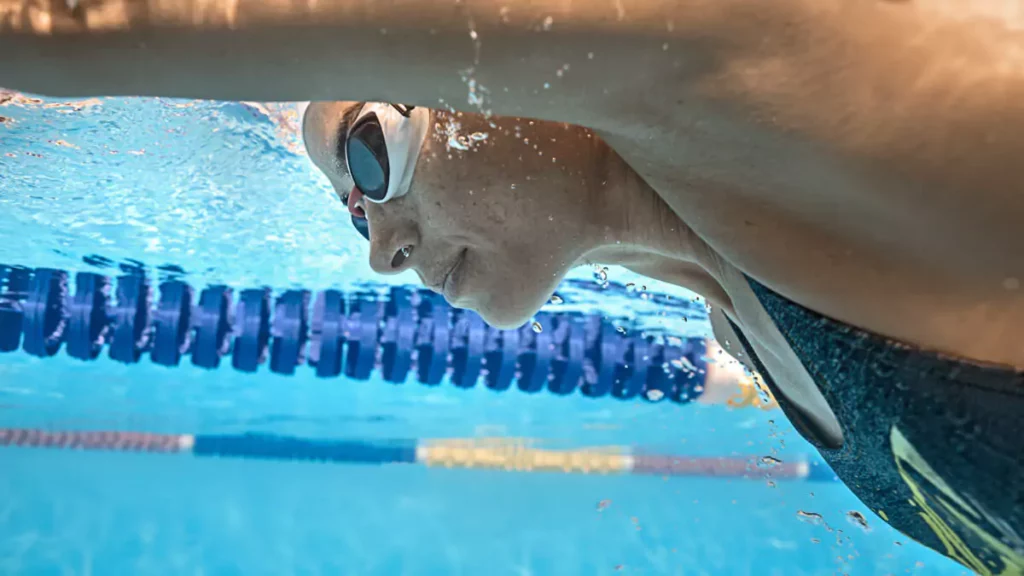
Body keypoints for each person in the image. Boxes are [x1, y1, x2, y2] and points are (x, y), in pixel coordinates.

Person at [3, 0, 1023, 572]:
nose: (380, 254)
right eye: (350, 212)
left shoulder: (781, 60)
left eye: (365, 161)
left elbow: (54, 32)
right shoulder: (732, 301)